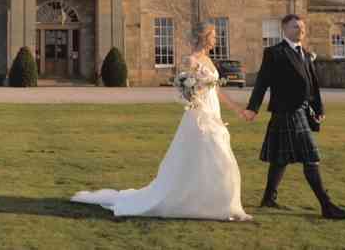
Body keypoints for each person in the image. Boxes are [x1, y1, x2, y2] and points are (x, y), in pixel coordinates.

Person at [71, 22, 251, 221]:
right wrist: (194, 94)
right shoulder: (191, 60)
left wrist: (236, 109)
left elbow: (216, 90)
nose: (216, 39)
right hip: (199, 115)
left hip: (213, 113)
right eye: (214, 36)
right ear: (204, 36)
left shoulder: (209, 60)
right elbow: (186, 90)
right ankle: (203, 202)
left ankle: (216, 203)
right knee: (209, 155)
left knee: (216, 156)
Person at [242, 14, 345, 220]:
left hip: (302, 111)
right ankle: (327, 206)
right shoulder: (274, 53)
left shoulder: (305, 53)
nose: (300, 30)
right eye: (295, 27)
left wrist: (318, 109)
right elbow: (262, 83)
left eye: (302, 27)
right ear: (284, 29)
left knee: (280, 158)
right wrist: (253, 108)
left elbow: (313, 85)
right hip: (286, 111)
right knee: (311, 156)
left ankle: (268, 198)